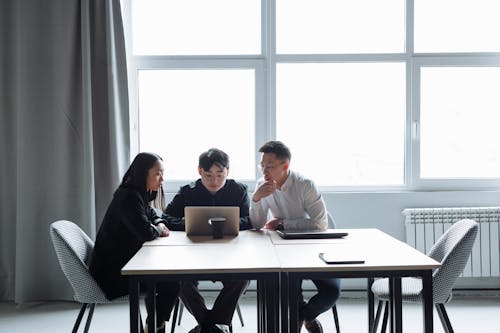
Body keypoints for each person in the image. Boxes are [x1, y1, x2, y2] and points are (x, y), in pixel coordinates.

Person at [250, 141, 340, 333]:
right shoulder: (262, 185)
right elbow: (257, 225)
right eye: (262, 166)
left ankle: (304, 315)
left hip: (314, 248)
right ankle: (296, 321)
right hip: (283, 250)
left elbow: (320, 224)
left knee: (331, 292)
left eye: (270, 167)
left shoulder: (305, 184)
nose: (264, 171)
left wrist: (283, 224)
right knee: (289, 290)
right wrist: (256, 199)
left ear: (285, 166)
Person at [163, 148, 251, 333]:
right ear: (199, 171)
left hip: (230, 255)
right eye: (208, 175)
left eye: (220, 175)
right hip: (193, 254)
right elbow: (167, 219)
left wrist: (227, 223)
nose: (214, 181)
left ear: (228, 171)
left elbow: (249, 220)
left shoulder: (238, 190)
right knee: (178, 279)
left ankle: (206, 327)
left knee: (243, 277)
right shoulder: (188, 191)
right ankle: (215, 327)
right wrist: (187, 223)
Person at [89, 152, 180, 332]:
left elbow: (151, 214)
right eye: (157, 173)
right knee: (172, 280)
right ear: (142, 173)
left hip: (125, 263)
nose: (162, 179)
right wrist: (159, 229)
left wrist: (159, 222)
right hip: (115, 275)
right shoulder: (128, 196)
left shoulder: (137, 193)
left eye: (162, 173)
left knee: (168, 278)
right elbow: (145, 232)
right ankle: (154, 326)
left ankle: (154, 324)